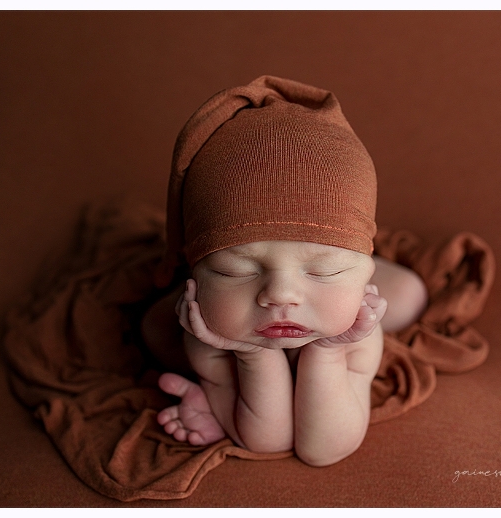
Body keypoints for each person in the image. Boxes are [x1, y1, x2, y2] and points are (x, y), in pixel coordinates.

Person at [141, 76, 428, 467]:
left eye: (323, 271)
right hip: (211, 317)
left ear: (364, 279)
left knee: (409, 296)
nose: (280, 294)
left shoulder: (356, 331)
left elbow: (323, 448)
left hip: (343, 297)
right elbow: (267, 440)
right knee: (155, 329)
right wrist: (250, 354)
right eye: (233, 269)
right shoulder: (207, 334)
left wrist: (328, 352)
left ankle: (340, 261)